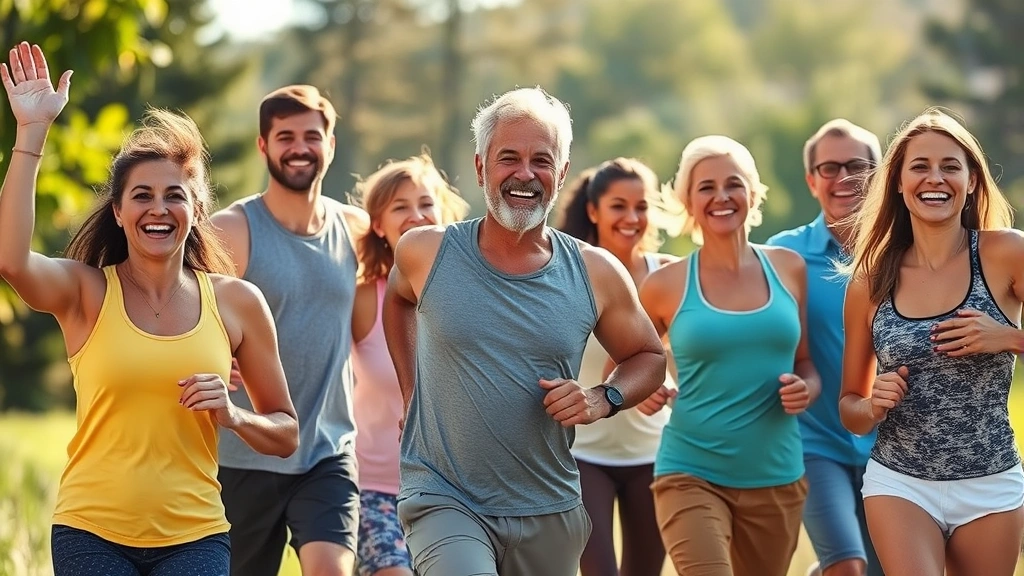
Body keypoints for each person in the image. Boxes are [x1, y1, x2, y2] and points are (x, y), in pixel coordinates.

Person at [0, 42, 298, 576]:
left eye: (174, 196)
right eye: (141, 195)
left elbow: (285, 432)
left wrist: (232, 415)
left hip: (197, 535)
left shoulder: (236, 303)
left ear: (197, 208)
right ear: (118, 211)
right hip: (91, 532)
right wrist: (31, 136)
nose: (158, 208)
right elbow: (11, 261)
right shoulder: (85, 293)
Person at [383, 87, 667, 576]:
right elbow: (398, 300)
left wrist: (604, 398)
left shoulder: (595, 272)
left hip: (548, 504)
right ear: (480, 168)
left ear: (560, 172)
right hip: (443, 494)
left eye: (541, 160)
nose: (524, 173)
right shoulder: (424, 253)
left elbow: (649, 356)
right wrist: (411, 389)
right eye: (508, 158)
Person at [839, 108, 1024, 576]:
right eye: (919, 166)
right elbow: (849, 407)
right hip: (900, 481)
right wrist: (873, 404)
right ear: (899, 184)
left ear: (972, 182)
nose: (934, 178)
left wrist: (1006, 336)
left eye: (950, 166)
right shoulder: (870, 279)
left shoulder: (1007, 253)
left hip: (991, 481)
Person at [639, 135, 820, 576]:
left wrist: (806, 389)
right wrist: (650, 387)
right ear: (688, 201)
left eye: (733, 184)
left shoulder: (789, 268)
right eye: (706, 187)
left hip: (776, 476)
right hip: (690, 471)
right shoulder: (665, 285)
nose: (721, 197)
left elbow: (806, 364)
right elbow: (629, 364)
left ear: (753, 193)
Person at [211, 85, 369, 576]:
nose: (299, 147)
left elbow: (386, 313)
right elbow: (187, 314)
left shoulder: (357, 230)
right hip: (242, 455)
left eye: (311, 135)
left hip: (327, 449)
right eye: (285, 136)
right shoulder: (232, 229)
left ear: (331, 144)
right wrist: (218, 354)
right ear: (264, 145)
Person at [766, 119, 884, 576]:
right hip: (815, 443)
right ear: (811, 180)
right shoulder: (783, 255)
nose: (844, 179)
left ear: (879, 176)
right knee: (848, 566)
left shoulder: (910, 252)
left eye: (857, 166)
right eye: (829, 168)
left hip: (896, 444)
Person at [554, 157, 676, 576]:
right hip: (583, 454)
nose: (632, 217)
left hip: (653, 456)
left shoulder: (668, 275)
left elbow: (679, 362)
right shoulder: (568, 275)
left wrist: (665, 389)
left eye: (641, 206)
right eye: (618, 206)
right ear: (593, 210)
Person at [350, 152, 469, 576]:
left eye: (425, 203)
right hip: (374, 489)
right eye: (400, 207)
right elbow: (311, 349)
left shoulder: (470, 298)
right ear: (378, 225)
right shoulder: (363, 297)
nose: (416, 215)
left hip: (455, 491)